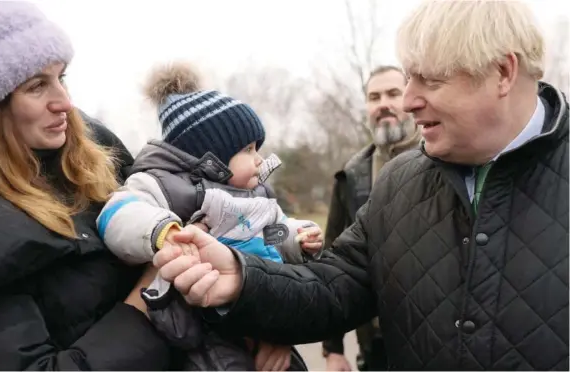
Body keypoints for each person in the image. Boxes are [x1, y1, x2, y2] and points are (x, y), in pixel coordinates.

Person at [152, 0, 569, 370]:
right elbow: (331, 290)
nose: (407, 101)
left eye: (431, 80)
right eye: (409, 78)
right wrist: (245, 281)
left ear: (502, 72)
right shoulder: (399, 184)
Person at [0, 2, 171, 370]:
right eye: (36, 86)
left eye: (61, 77)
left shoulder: (98, 156)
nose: (64, 102)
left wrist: (246, 312)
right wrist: (154, 296)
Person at [96, 63, 320, 371]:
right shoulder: (163, 185)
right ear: (211, 156)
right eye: (248, 149)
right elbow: (118, 214)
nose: (259, 159)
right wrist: (163, 232)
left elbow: (272, 233)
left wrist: (296, 236)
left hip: (265, 315)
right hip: (205, 334)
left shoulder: (257, 196)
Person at [322, 65, 420, 372]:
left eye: (393, 93)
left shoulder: (442, 160)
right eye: (373, 97)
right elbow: (331, 261)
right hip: (375, 344)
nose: (383, 104)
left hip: (433, 339)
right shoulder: (351, 176)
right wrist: (333, 349)